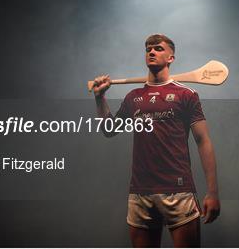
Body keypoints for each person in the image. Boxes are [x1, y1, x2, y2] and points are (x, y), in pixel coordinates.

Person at [92, 33, 220, 247]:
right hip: (140, 192)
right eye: (148, 49)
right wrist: (99, 98)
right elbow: (109, 129)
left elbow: (203, 141)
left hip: (178, 191)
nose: (151, 51)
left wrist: (213, 192)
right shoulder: (133, 97)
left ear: (171, 57)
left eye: (158, 48)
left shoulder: (186, 94)